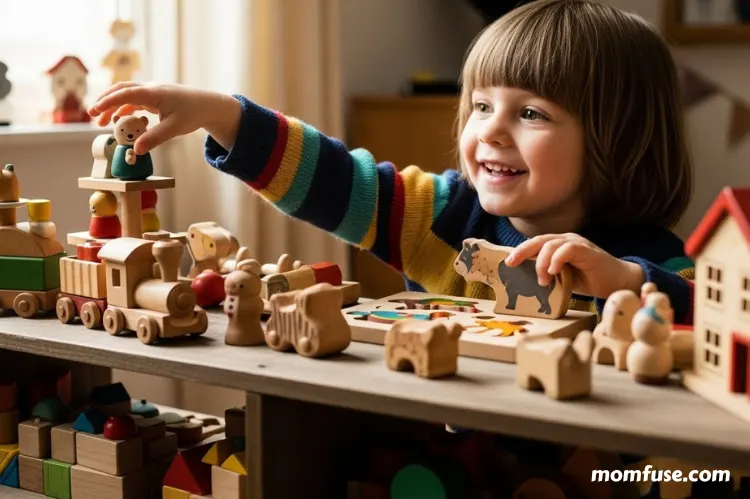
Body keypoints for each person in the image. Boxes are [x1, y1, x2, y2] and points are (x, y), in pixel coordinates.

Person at [88, 0, 695, 323]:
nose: (493, 133)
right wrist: (220, 113)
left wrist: (629, 281)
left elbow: (705, 320)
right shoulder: (438, 214)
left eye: (531, 114)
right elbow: (327, 177)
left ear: (617, 138)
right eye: (481, 106)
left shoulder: (652, 255)